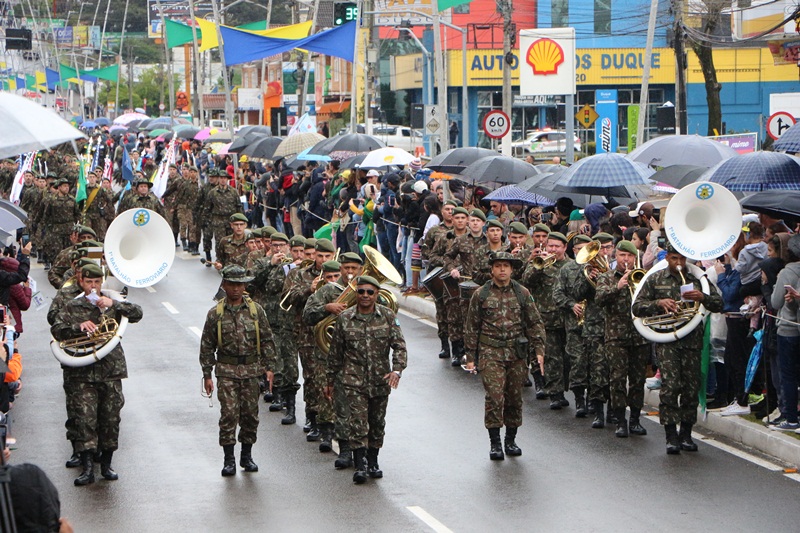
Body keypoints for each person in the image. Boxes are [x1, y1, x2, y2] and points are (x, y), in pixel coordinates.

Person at [50, 262, 143, 485]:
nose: (93, 286)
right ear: (81, 282)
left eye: (97, 282)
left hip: (110, 370)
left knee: (110, 419)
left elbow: (138, 313)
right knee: (85, 419)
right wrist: (77, 327)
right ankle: (88, 468)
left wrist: (116, 304)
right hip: (81, 373)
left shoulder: (113, 303)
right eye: (89, 282)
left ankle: (107, 465)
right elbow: (56, 329)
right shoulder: (73, 306)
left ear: (102, 282)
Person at [632, 243, 723, 454]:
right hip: (667, 340)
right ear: (667, 259)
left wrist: (704, 298)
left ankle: (686, 434)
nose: (679, 263)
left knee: (691, 387)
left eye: (682, 259)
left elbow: (719, 303)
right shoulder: (655, 279)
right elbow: (637, 307)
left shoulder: (698, 279)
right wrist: (658, 303)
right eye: (674, 259)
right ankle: (671, 436)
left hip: (691, 340)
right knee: (671, 386)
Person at [326, 275, 407, 484]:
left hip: (381, 380)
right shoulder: (345, 318)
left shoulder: (388, 316)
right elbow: (335, 353)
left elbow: (399, 345)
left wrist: (397, 370)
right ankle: (360, 464)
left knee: (377, 423)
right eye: (361, 291)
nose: (364, 296)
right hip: (353, 381)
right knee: (358, 423)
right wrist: (330, 381)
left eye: (370, 292)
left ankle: (373, 461)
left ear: (377, 295)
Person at [464, 252, 545, 460]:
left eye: (506, 266)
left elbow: (534, 322)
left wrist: (539, 350)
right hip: (490, 351)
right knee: (494, 396)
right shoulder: (481, 294)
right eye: (498, 266)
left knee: (514, 397)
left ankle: (511, 439)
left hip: (516, 353)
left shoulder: (522, 293)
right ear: (492, 269)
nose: (502, 270)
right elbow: (472, 327)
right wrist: (470, 356)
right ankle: (495, 442)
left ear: (511, 269)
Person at [200, 265, 277, 476]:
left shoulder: (255, 311)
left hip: (252, 370)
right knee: (229, 415)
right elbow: (207, 346)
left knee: (250, 415)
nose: (236, 289)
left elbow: (268, 339)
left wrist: (269, 368)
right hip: (226, 370)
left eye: (240, 284)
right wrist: (207, 374)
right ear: (224, 285)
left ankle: (247, 455)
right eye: (232, 284)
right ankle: (229, 459)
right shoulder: (215, 314)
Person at [595, 240, 650, 437]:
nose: (625, 259)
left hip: (639, 337)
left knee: (637, 381)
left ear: (635, 258)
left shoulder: (643, 277)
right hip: (615, 337)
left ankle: (635, 420)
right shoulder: (606, 277)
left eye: (629, 256)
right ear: (615, 256)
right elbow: (599, 299)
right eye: (621, 256)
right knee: (617, 379)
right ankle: (620, 420)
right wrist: (617, 287)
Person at [521, 231, 571, 409]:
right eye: (551, 246)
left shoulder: (571, 265)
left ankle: (564, 387)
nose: (553, 249)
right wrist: (537, 266)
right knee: (551, 358)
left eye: (557, 246)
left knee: (568, 358)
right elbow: (526, 281)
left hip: (567, 320)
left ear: (564, 248)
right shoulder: (539, 264)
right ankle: (555, 394)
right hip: (546, 320)